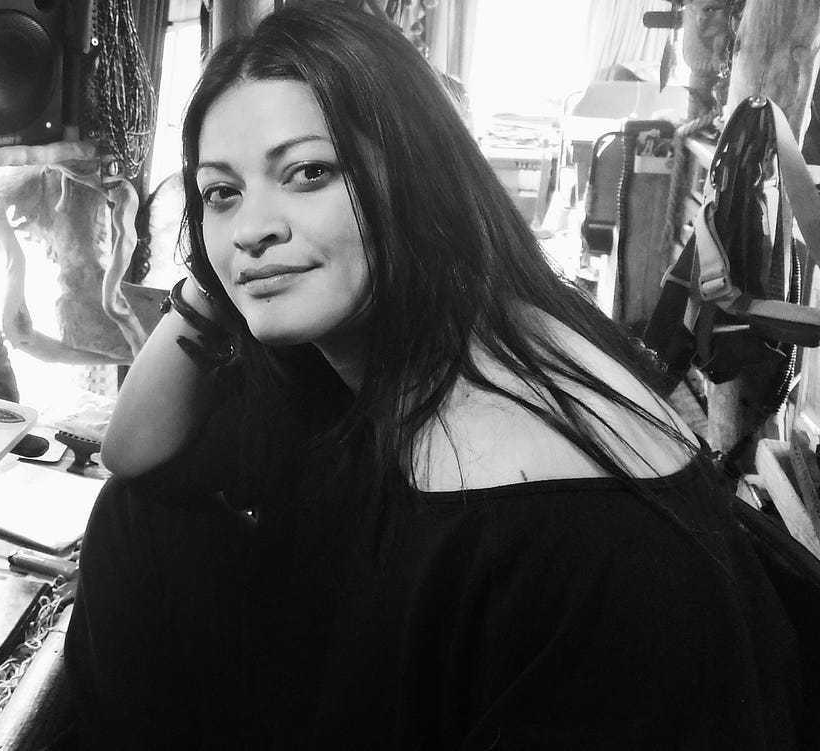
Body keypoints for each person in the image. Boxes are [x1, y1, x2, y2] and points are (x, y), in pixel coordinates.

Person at [63, 3, 814, 749]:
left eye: (309, 173)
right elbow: (132, 459)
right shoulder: (372, 352)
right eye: (221, 193)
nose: (254, 228)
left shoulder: (564, 518)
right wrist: (210, 277)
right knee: (139, 525)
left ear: (416, 173)